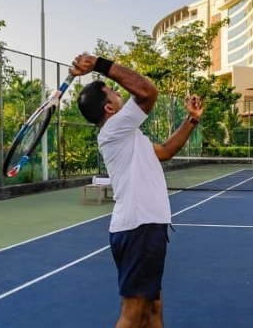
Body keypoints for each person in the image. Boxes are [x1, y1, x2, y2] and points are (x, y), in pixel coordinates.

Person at [71, 53, 203, 328]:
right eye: (113, 92)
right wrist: (99, 64)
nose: (119, 93)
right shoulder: (114, 129)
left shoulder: (127, 135)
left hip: (142, 227)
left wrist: (191, 120)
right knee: (133, 315)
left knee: (153, 309)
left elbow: (166, 151)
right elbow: (147, 92)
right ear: (108, 109)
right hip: (139, 228)